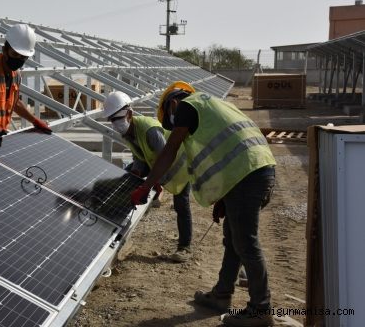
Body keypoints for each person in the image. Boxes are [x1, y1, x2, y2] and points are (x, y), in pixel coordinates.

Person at [133, 81, 276, 327]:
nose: (175, 126)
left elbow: (169, 150)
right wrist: (224, 195)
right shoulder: (213, 104)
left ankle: (260, 309)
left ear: (173, 103)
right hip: (253, 170)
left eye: (171, 119)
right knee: (233, 238)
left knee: (246, 242)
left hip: (249, 174)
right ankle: (221, 295)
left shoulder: (187, 106)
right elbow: (227, 149)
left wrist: (146, 185)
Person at [103, 91, 193, 262]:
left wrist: (152, 183)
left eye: (117, 118)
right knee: (127, 177)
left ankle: (185, 247)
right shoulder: (128, 132)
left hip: (179, 169)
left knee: (181, 204)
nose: (115, 124)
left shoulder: (149, 129)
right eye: (112, 120)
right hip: (157, 166)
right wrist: (136, 174)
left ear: (129, 114)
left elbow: (166, 155)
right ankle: (117, 224)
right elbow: (139, 156)